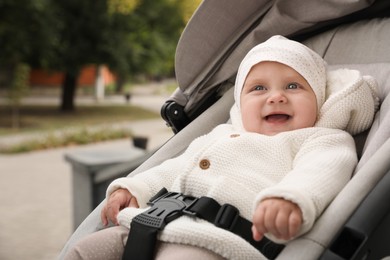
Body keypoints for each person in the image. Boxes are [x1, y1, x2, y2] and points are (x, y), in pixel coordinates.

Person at [64, 35, 379, 260]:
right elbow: (173, 167)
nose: (276, 96)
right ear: (240, 105)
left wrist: (290, 199)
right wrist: (134, 188)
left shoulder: (320, 139)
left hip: (218, 243)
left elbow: (321, 173)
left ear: (319, 100)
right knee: (83, 251)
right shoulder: (223, 134)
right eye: (259, 88)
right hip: (150, 222)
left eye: (293, 86)